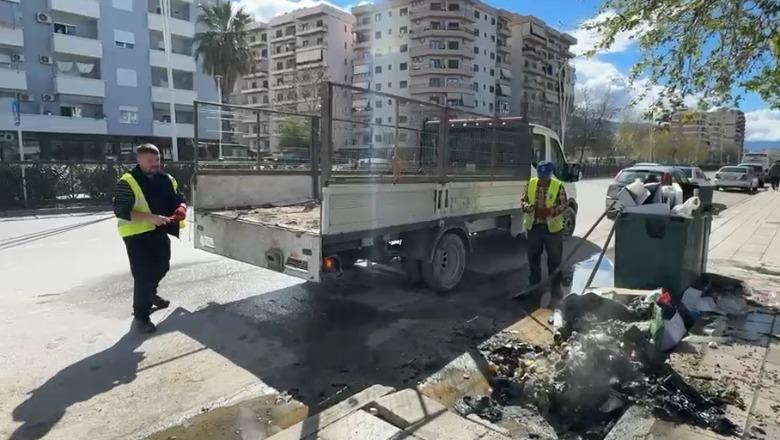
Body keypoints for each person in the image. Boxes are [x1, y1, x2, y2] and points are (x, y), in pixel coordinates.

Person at [113, 144, 186, 333]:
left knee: (163, 266)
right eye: (150, 161)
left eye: (158, 160)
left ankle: (150, 294)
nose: (155, 164)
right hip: (136, 234)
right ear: (139, 160)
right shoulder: (127, 181)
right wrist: (150, 217)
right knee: (143, 275)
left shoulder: (167, 179)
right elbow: (120, 210)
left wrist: (181, 208)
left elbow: (179, 197)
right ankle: (141, 318)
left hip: (159, 230)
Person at [522, 161, 568, 304]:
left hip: (552, 230)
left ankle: (555, 289)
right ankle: (534, 285)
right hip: (534, 227)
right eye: (540, 176)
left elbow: (564, 205)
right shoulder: (531, 183)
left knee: (554, 260)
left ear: (550, 174)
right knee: (533, 257)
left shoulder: (558, 186)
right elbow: (523, 200)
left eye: (545, 176)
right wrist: (528, 207)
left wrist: (551, 211)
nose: (542, 180)